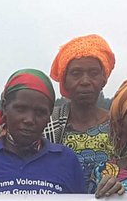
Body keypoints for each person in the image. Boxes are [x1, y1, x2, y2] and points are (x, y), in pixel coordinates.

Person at [0, 70, 87, 196]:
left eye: (40, 112)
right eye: (21, 109)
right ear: (5, 108)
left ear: (49, 115)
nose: (29, 120)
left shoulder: (66, 161)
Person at [44, 35, 115, 175]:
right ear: (64, 80)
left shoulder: (118, 126)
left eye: (93, 73)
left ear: (104, 79)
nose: (85, 81)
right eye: (76, 74)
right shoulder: (47, 123)